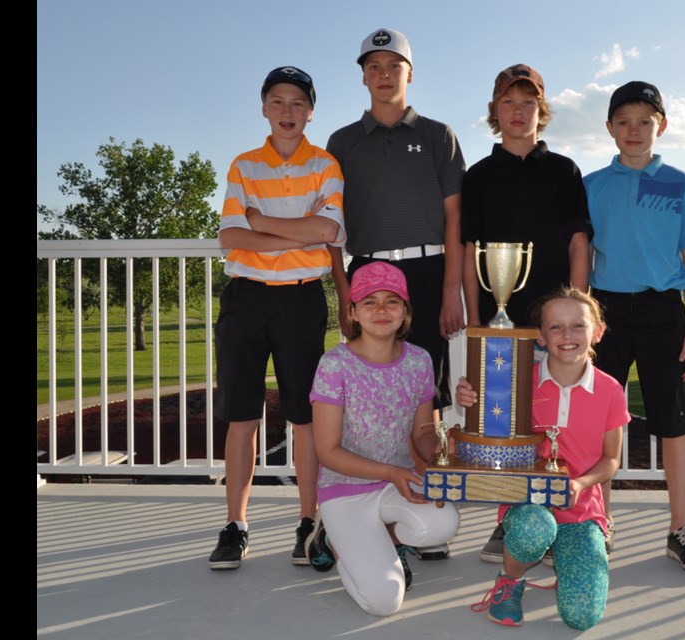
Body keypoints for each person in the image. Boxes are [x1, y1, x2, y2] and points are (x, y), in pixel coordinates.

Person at [326, 27, 466, 561]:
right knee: (368, 395)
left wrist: (450, 290)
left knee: (423, 400)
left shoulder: (437, 134)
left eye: (394, 66)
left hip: (428, 273)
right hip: (368, 275)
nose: (384, 76)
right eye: (373, 66)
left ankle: (423, 512)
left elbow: (454, 218)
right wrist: (343, 291)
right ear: (363, 75)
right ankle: (371, 505)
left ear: (410, 73)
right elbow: (333, 230)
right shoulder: (342, 142)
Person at [207, 66, 346, 570]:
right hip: (245, 298)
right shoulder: (244, 165)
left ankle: (308, 523)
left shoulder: (326, 164)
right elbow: (231, 238)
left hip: (301, 299)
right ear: (264, 107)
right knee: (241, 415)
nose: (288, 112)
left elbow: (329, 231)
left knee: (304, 418)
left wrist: (262, 220)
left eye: (297, 103)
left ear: (311, 110)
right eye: (277, 102)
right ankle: (235, 526)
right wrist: (295, 231)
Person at [460, 63, 594, 564]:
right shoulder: (478, 176)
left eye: (528, 103)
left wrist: (576, 313)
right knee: (507, 426)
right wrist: (476, 323)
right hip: (502, 324)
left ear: (542, 110)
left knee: (564, 421)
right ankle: (508, 523)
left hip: (557, 323)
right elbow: (472, 250)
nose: (518, 112)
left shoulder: (563, 171)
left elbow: (579, 242)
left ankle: (580, 520)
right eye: (508, 103)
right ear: (495, 111)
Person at [585, 81, 685, 573]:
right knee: (601, 422)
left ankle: (679, 529)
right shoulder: (592, 185)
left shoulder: (680, 183)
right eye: (624, 121)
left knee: (673, 424)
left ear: (661, 125)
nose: (634, 130)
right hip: (606, 317)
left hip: (664, 315)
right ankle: (599, 524)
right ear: (610, 128)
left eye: (645, 121)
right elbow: (584, 254)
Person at [459, 287, 629, 629]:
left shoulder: (611, 390)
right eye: (556, 327)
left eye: (578, 326)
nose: (567, 335)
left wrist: (581, 484)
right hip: (528, 505)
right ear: (540, 337)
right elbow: (489, 426)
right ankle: (510, 580)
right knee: (536, 528)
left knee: (581, 617)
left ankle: (570, 561)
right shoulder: (517, 382)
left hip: (580, 512)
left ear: (597, 331)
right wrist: (472, 396)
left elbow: (611, 459)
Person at [306, 262, 460, 615]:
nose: (380, 310)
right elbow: (327, 452)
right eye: (369, 301)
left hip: (395, 486)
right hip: (345, 489)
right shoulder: (335, 364)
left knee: (444, 524)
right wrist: (391, 472)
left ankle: (377, 541)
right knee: (384, 602)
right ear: (353, 311)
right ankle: (333, 536)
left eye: (392, 301)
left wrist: (442, 449)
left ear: (405, 311)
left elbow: (422, 435)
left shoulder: (419, 361)